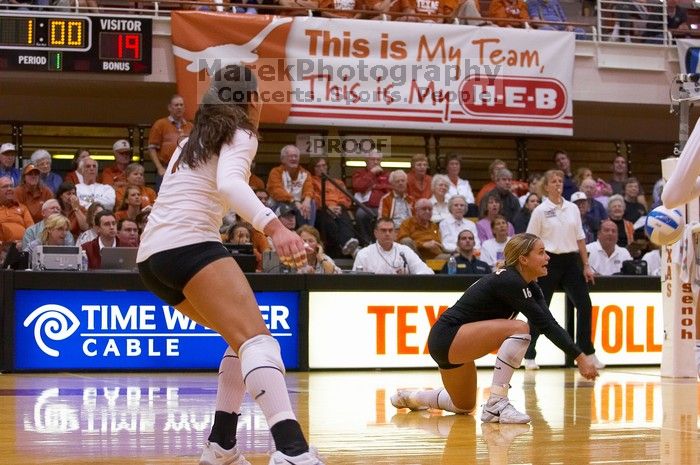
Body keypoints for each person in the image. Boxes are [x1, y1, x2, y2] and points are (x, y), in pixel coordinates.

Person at [136, 65, 323, 465]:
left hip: (152, 261)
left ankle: (221, 445)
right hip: (189, 246)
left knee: (242, 341)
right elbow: (230, 186)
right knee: (259, 342)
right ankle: (292, 450)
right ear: (252, 101)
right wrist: (275, 228)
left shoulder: (191, 141)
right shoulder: (242, 133)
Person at [390, 233, 599, 422]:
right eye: (542, 253)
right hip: (448, 336)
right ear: (523, 259)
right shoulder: (510, 280)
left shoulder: (531, 286)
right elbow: (543, 324)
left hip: (452, 343)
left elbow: (549, 322)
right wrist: (580, 357)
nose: (548, 258)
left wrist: (579, 356)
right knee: (520, 328)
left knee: (463, 405)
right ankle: (497, 403)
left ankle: (411, 397)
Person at [524, 170, 604, 370]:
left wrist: (586, 265)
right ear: (546, 186)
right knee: (540, 309)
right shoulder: (540, 211)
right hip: (548, 261)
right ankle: (529, 354)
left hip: (571, 261)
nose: (558, 184)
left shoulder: (572, 208)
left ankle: (587, 350)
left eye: (560, 180)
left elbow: (580, 238)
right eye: (554, 181)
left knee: (584, 304)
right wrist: (533, 268)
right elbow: (531, 240)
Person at [352, 217, 434, 275]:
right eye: (383, 230)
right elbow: (355, 281)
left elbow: (428, 272)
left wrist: (409, 277)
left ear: (395, 233)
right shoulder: (364, 254)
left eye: (390, 230)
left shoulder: (405, 251)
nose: (387, 234)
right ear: (375, 233)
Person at [147, 94, 193, 190]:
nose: (179, 107)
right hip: (166, 168)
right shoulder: (160, 124)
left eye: (181, 105)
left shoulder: (191, 127)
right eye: (176, 105)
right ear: (170, 108)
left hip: (185, 169)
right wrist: (160, 168)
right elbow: (152, 148)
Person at [267, 144, 316, 227]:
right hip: (281, 202)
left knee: (311, 203)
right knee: (283, 205)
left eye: (296, 156)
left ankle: (306, 231)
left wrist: (307, 201)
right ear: (283, 159)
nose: (294, 159)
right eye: (290, 156)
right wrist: (294, 201)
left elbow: (309, 189)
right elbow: (277, 191)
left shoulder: (305, 173)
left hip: (300, 205)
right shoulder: (276, 172)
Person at [0, 176, 34, 244]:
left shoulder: (22, 208)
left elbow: (32, 230)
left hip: (21, 247)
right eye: (5, 186)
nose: (9, 188)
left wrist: (24, 243)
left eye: (11, 186)